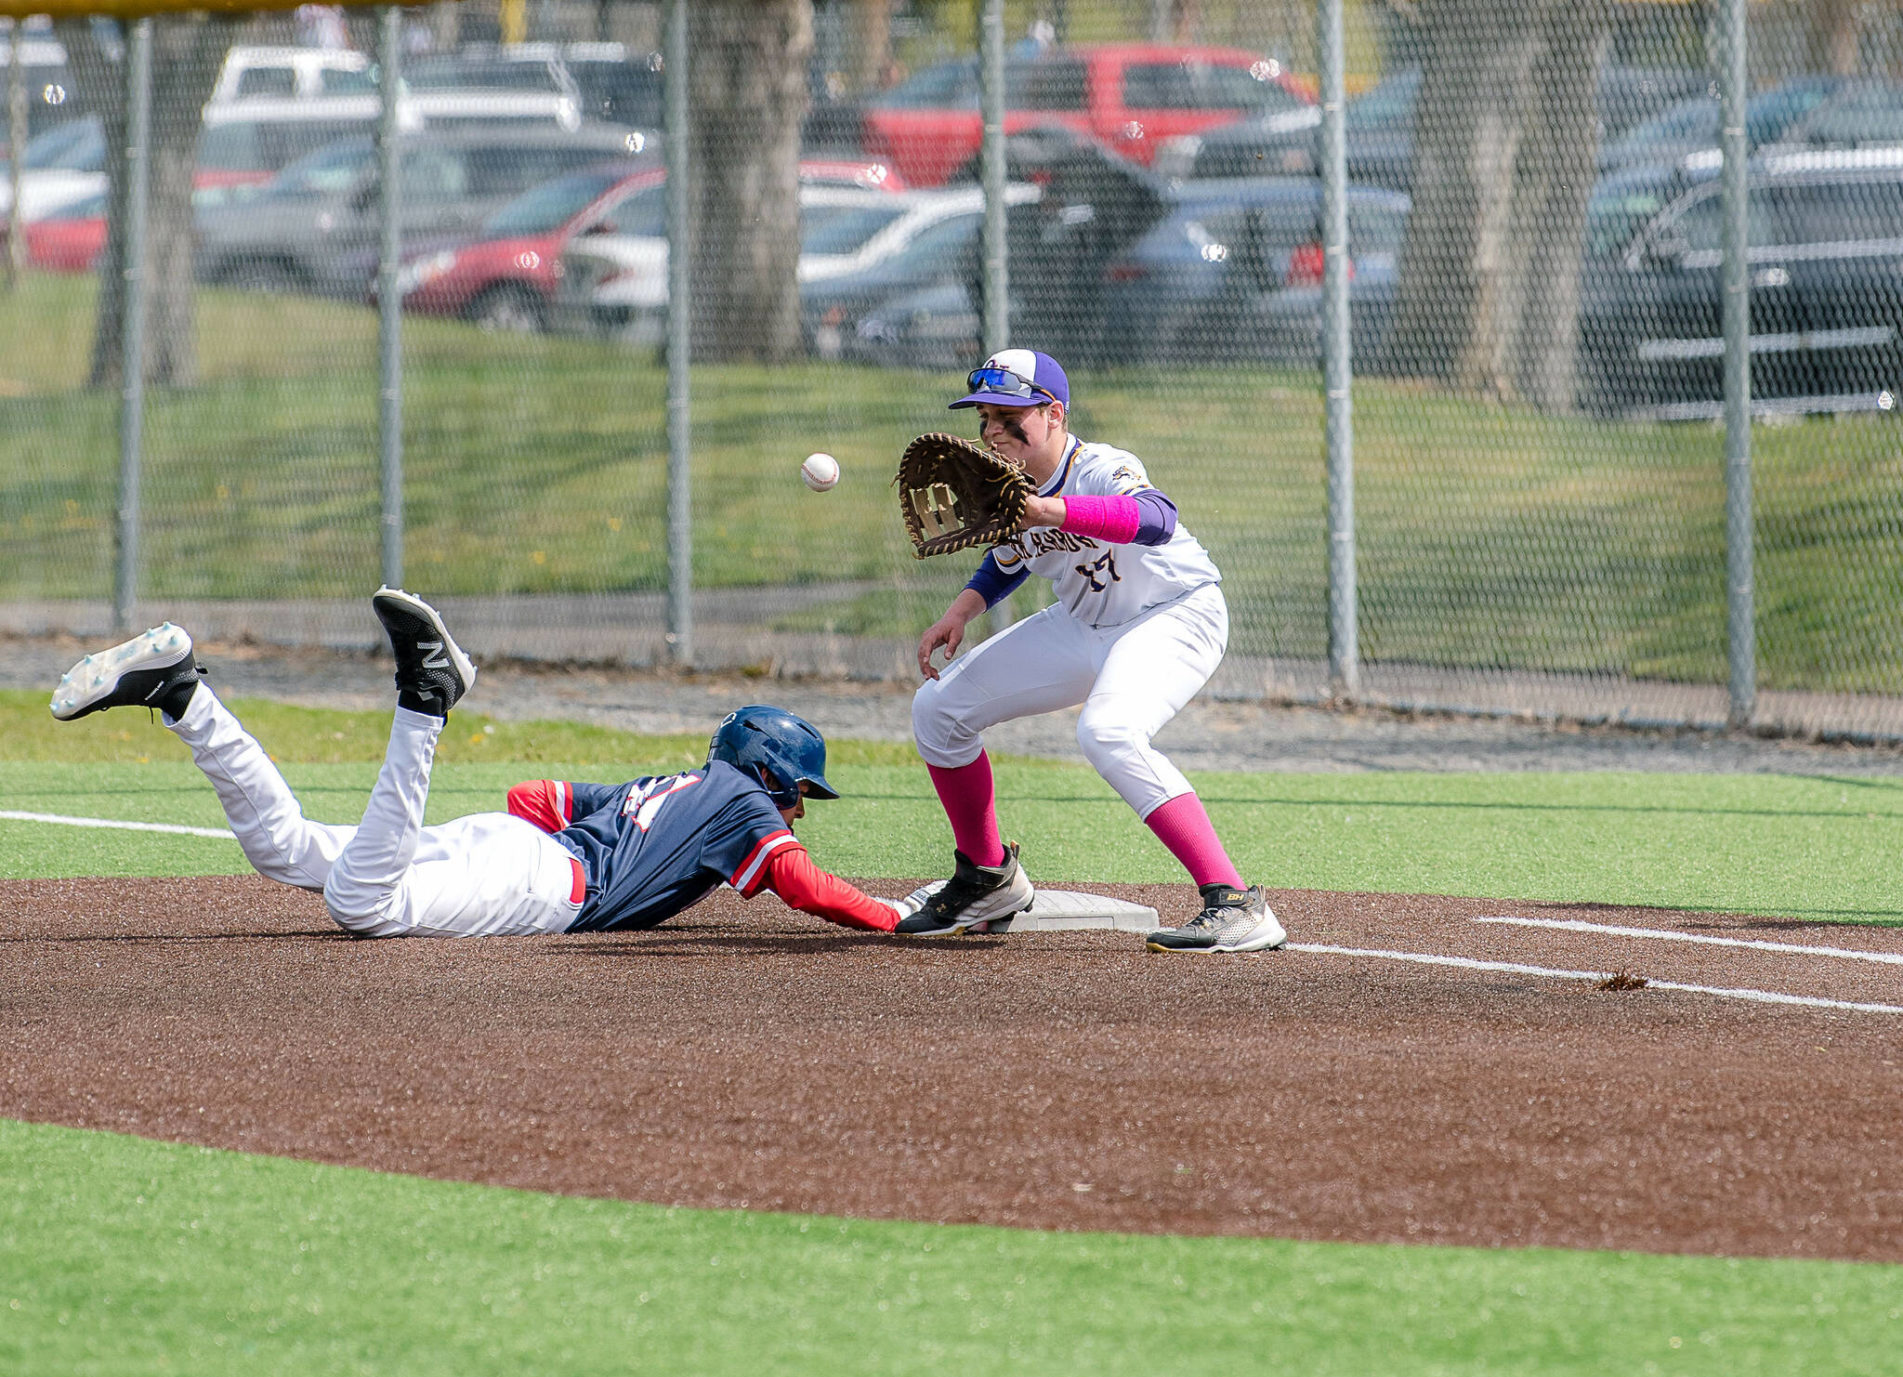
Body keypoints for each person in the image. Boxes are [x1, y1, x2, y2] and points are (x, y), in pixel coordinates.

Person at [50, 591, 899, 941]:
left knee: (287, 851)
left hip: (512, 847)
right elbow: (806, 888)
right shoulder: (743, 804)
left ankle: (185, 696)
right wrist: (899, 918)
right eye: (799, 794)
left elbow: (533, 795)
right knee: (361, 905)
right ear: (770, 773)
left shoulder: (669, 787)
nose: (796, 812)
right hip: (548, 888)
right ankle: (427, 700)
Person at [900, 349, 1286, 953]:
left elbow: (1157, 518)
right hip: (1084, 625)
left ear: (1054, 414)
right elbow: (1010, 559)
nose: (993, 431)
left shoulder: (1101, 466)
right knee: (937, 711)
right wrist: (960, 611)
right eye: (986, 418)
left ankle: (1236, 902)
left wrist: (1046, 510)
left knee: (1108, 732)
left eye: (1009, 417)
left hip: (1175, 613)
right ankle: (988, 878)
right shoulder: (1011, 488)